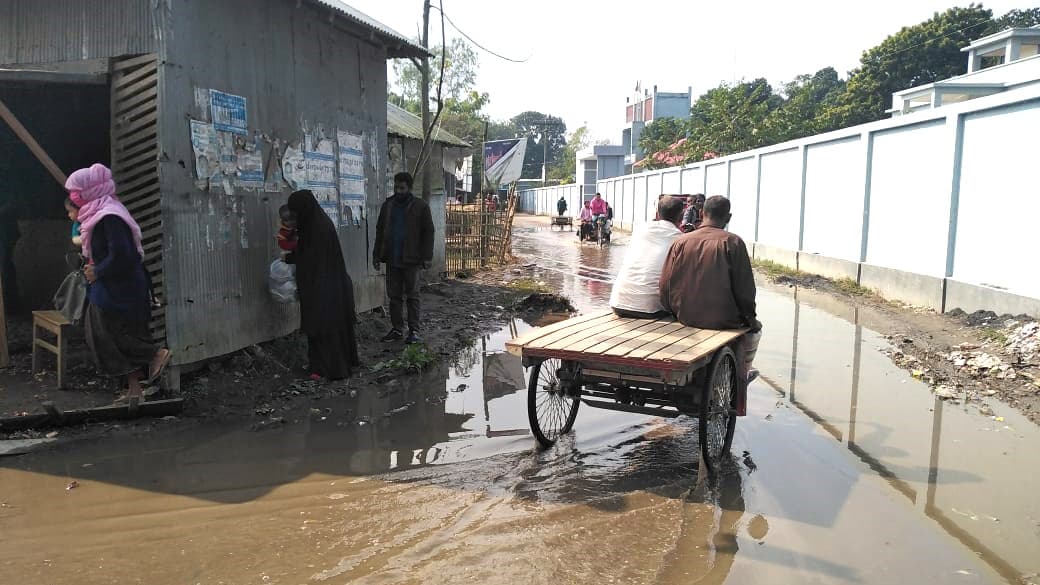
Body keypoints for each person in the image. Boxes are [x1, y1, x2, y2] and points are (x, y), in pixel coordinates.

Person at [66, 164, 171, 403]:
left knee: (109, 333)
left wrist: (98, 271)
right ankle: (134, 390)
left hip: (121, 287)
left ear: (91, 190)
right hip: (108, 285)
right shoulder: (96, 214)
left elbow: (125, 255)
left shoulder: (110, 216)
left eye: (76, 191)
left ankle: (154, 354)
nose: (73, 197)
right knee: (104, 334)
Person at [659, 196, 761, 382]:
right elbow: (745, 291)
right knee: (756, 331)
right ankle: (742, 373)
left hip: (686, 318)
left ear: (700, 213)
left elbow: (665, 285)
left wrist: (673, 312)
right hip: (724, 320)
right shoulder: (733, 243)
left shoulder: (680, 242)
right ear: (728, 218)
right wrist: (751, 319)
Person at [286, 189, 360, 380]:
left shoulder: (316, 227)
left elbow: (311, 258)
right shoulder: (317, 223)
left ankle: (328, 369)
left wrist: (291, 258)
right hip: (330, 285)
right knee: (327, 328)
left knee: (323, 328)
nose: (295, 217)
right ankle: (322, 366)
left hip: (324, 288)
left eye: (296, 213)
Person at [373, 172, 435, 345]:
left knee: (413, 296)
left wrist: (427, 256)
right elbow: (380, 231)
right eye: (396, 188)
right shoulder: (388, 205)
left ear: (409, 188)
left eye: (402, 188)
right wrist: (376, 255)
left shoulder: (420, 207)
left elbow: (428, 233)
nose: (399, 191)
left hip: (412, 260)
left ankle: (414, 331)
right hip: (393, 259)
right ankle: (397, 329)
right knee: (394, 297)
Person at [609, 195, 685, 319]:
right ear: (681, 216)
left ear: (657, 214)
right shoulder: (680, 238)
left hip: (618, 303)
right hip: (651, 309)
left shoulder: (640, 229)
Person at [0, 191, 20, 314]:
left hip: (5, 235)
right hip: (6, 234)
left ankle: (9, 305)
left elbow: (12, 204)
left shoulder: (6, 187)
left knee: (5, 268)